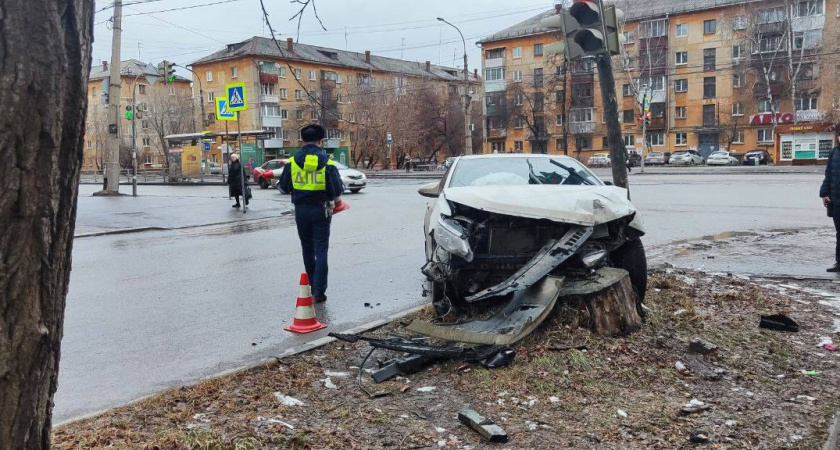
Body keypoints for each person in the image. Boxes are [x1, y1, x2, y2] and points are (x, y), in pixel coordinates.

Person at [279, 124, 345, 303]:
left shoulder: (292, 162)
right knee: (321, 249)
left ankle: (311, 285)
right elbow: (338, 189)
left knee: (307, 248)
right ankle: (319, 290)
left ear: (302, 141)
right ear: (321, 141)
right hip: (321, 210)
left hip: (301, 211)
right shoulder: (328, 163)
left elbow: (283, 187)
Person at [821, 136, 840, 272]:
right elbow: (828, 174)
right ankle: (839, 262)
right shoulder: (834, 152)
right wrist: (824, 193)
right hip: (836, 200)